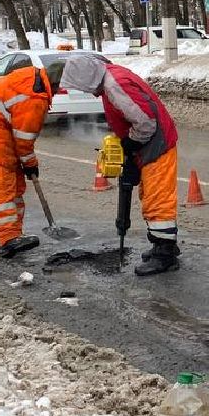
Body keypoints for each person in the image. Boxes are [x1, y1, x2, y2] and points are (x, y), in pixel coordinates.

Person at [61, 53, 181, 276]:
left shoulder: (115, 85)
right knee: (151, 195)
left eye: (81, 86)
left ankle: (165, 255)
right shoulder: (112, 79)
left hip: (155, 145)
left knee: (158, 200)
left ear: (87, 78)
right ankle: (162, 245)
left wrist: (131, 144)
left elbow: (145, 123)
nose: (85, 91)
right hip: (150, 146)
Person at [0, 60, 62, 260]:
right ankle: (8, 239)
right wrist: (30, 164)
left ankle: (15, 233)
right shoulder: (35, 98)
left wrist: (26, 163)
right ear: (56, 84)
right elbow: (24, 142)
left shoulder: (32, 76)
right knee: (4, 189)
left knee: (15, 187)